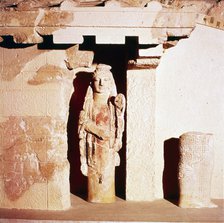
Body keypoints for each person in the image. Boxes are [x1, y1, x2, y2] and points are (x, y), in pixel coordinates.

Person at [78, 64, 125, 203]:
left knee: (107, 176)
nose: (101, 83)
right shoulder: (89, 104)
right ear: (92, 83)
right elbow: (82, 123)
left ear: (111, 82)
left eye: (105, 80)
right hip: (92, 148)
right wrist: (96, 130)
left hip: (108, 148)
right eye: (97, 79)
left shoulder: (112, 104)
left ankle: (107, 196)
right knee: (94, 175)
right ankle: (96, 196)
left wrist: (120, 102)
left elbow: (120, 116)